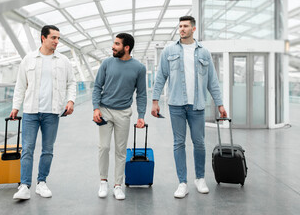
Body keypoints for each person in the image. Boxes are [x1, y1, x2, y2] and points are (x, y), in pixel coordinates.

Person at [151, 16, 227, 198]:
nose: (182, 29)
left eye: (185, 26)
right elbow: (161, 76)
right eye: (180, 26)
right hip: (176, 104)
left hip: (197, 105)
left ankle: (200, 178)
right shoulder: (169, 50)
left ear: (193, 29)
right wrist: (155, 101)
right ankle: (182, 182)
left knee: (199, 143)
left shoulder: (204, 53)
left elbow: (212, 81)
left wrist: (220, 104)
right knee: (179, 143)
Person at [10, 25, 76, 200]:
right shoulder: (29, 59)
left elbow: (72, 83)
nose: (56, 41)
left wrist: (70, 101)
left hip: (52, 112)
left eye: (58, 38)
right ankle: (24, 185)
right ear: (43, 38)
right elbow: (20, 85)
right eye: (53, 38)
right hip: (31, 111)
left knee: (47, 150)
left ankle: (41, 183)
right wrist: (16, 107)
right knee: (28, 149)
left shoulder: (63, 61)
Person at [92, 33, 147, 200]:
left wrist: (141, 115)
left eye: (116, 44)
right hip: (105, 111)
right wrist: (96, 108)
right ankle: (103, 182)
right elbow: (96, 87)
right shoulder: (107, 63)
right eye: (113, 43)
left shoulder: (139, 67)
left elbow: (142, 94)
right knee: (104, 147)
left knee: (121, 151)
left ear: (126, 47)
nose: (113, 47)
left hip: (124, 113)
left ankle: (117, 185)